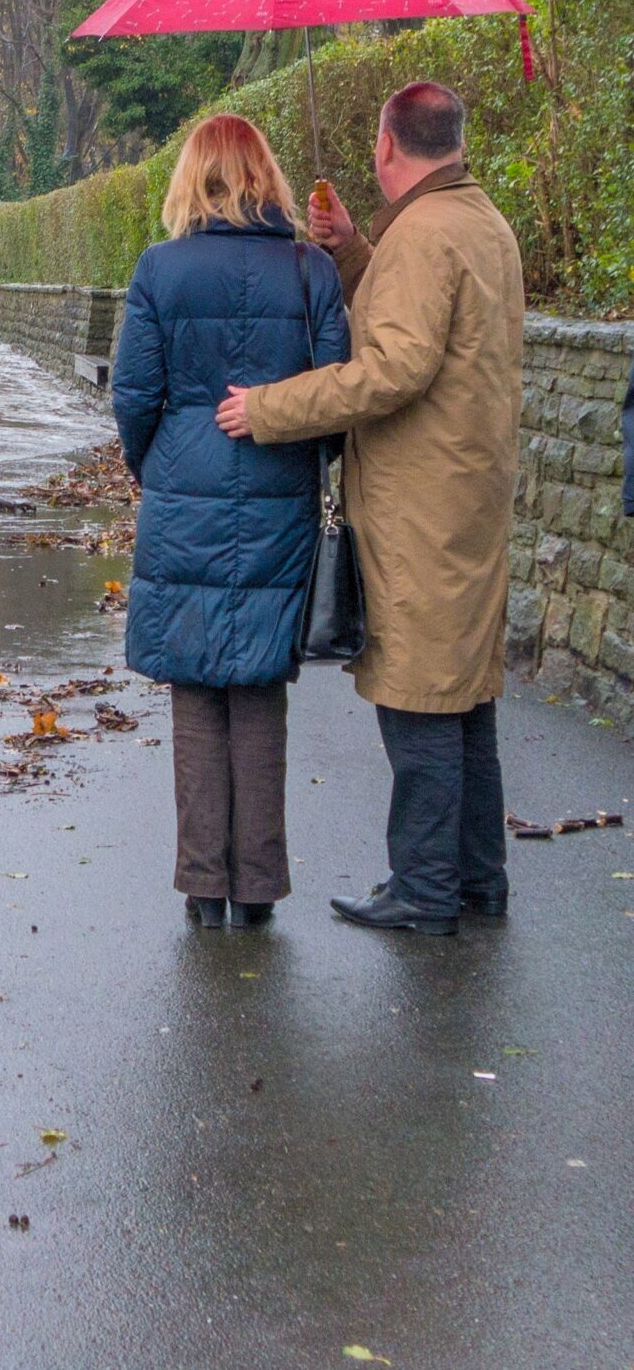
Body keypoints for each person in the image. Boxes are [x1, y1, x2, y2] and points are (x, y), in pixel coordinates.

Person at [215, 81, 526, 936]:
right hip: (468, 493)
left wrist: (271, 408)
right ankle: (476, 879)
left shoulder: (426, 235)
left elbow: (393, 369)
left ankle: (425, 888)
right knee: (464, 697)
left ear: (389, 145)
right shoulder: (477, 221)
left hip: (423, 502)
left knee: (421, 694)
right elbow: (421, 329)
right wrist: (355, 251)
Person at [112, 115, 349, 929]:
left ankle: (201, 884)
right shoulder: (310, 269)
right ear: (265, 175)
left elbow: (133, 395)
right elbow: (336, 398)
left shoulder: (159, 270)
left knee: (195, 690)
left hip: (183, 492)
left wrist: (160, 466)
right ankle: (259, 888)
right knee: (256, 689)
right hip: (279, 498)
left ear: (192, 177)